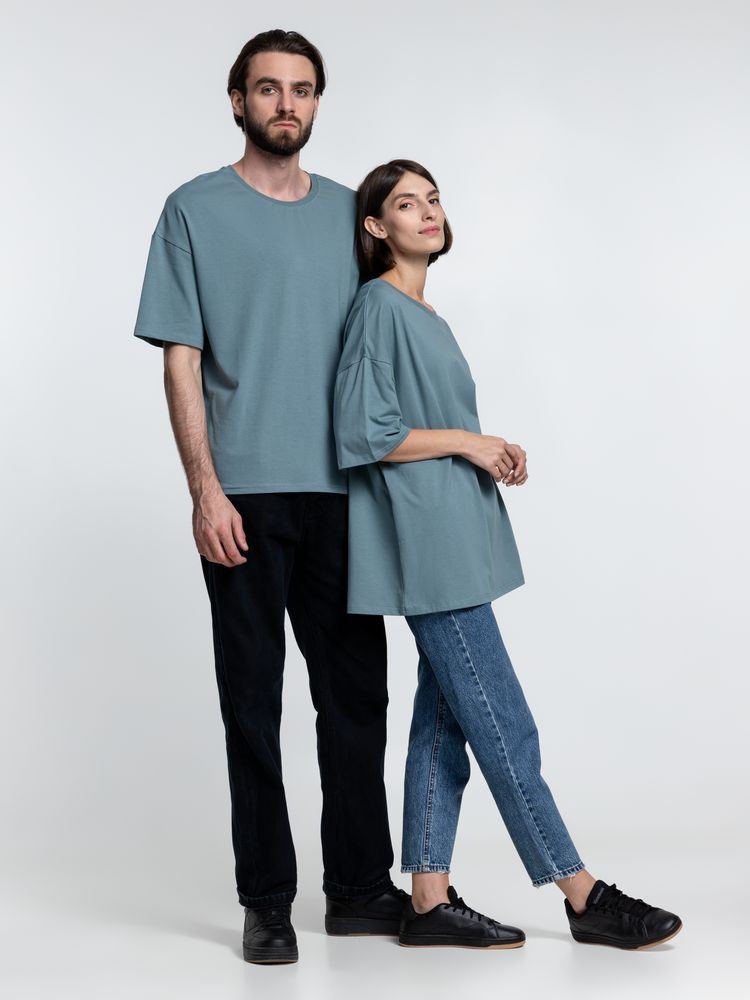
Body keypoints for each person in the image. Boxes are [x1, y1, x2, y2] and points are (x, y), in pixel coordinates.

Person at [332, 159, 683, 951]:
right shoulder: (378, 307)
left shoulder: (424, 313)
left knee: (443, 720)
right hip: (429, 546)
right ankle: (581, 893)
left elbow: (420, 425)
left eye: (433, 198)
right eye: (406, 204)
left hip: (456, 536)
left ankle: (427, 900)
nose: (427, 211)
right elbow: (363, 431)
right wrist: (470, 442)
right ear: (376, 227)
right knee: (501, 721)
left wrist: (487, 448)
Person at [132, 31, 406, 966]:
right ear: (237, 100)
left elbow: (391, 331)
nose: (286, 104)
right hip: (243, 495)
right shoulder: (192, 210)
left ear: (318, 101)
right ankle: (267, 901)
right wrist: (204, 491)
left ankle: (360, 889)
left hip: (344, 495)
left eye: (302, 89)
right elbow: (181, 357)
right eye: (268, 89)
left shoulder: (353, 216)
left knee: (357, 699)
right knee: (252, 706)